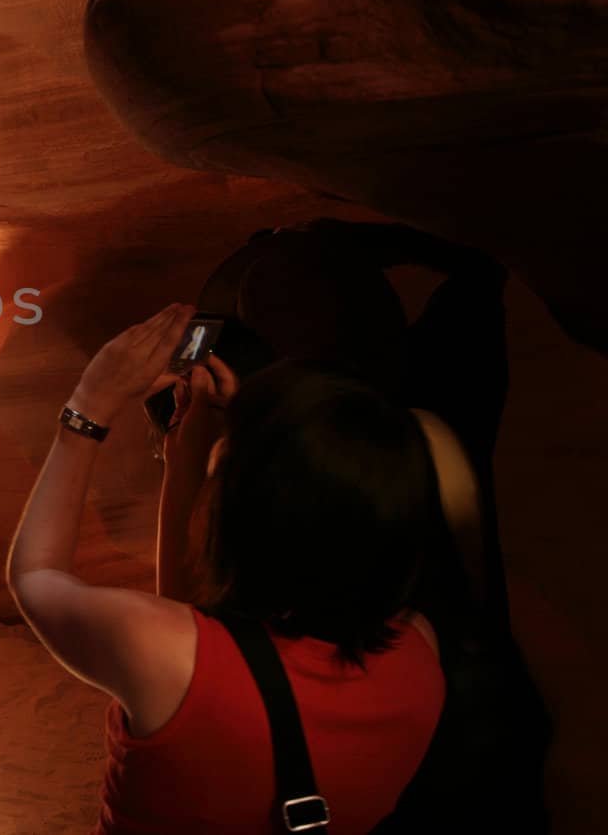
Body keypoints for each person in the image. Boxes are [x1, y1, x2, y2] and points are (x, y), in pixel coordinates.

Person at [9, 305, 445, 835]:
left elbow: (35, 577)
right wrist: (194, 450)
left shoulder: (158, 650)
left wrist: (89, 405)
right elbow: (201, 625)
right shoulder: (421, 653)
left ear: (248, 512)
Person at [189, 220, 551, 831]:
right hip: (455, 687)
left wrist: (256, 255)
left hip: (376, 713)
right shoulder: (440, 414)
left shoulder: (266, 442)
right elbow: (480, 266)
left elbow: (195, 332)